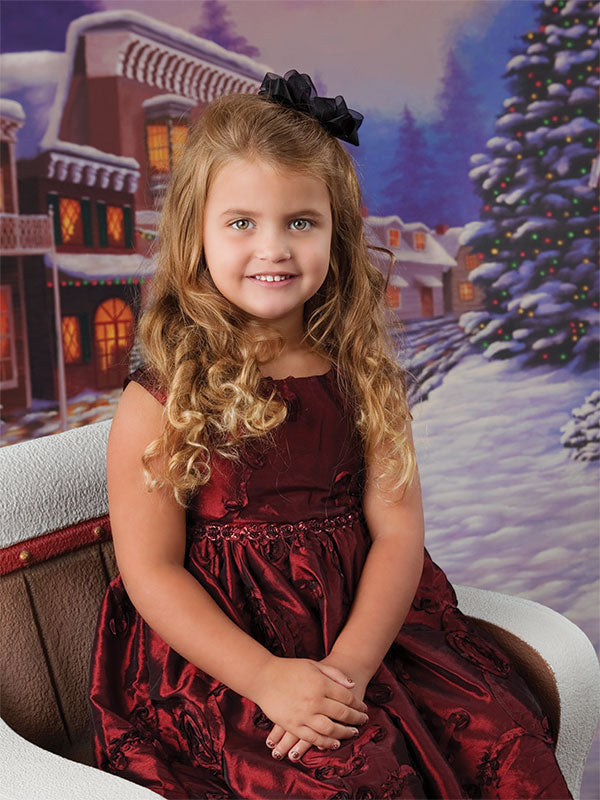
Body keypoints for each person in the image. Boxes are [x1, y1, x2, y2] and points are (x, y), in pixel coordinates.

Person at [88, 70, 573, 800]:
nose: (273, 249)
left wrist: (349, 668)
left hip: (370, 637)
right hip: (225, 661)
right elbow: (151, 573)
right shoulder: (163, 398)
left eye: (300, 222)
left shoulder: (362, 376)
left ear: (336, 233)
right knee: (345, 780)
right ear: (196, 235)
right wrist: (268, 680)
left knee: (502, 743)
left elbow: (399, 534)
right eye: (242, 222)